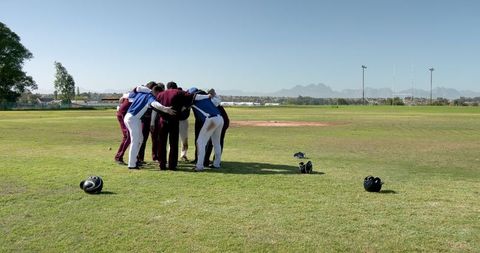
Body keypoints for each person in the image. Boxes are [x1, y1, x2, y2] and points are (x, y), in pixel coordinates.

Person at [124, 84, 175, 169]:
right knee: (135, 141)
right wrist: (166, 109)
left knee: (140, 139)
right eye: (159, 94)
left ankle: (134, 161)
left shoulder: (142, 93)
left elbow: (136, 89)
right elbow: (155, 104)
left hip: (130, 117)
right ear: (157, 92)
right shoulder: (150, 96)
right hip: (133, 119)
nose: (159, 97)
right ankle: (132, 164)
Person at [151, 81, 192, 170]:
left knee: (162, 143)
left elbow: (155, 106)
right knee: (173, 143)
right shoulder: (179, 92)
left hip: (162, 121)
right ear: (176, 87)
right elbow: (191, 97)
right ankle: (172, 165)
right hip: (174, 120)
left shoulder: (161, 94)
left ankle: (162, 164)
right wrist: (184, 107)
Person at [114, 85, 152, 165]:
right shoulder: (141, 94)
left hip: (126, 114)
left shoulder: (135, 94)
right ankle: (119, 157)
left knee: (137, 137)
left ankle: (135, 159)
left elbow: (125, 96)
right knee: (128, 136)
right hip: (124, 114)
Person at [189, 88, 224, 171]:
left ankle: (199, 166)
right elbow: (218, 100)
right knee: (216, 142)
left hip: (211, 120)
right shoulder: (209, 99)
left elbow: (193, 98)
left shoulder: (194, 98)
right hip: (220, 118)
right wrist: (212, 94)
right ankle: (216, 164)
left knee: (200, 142)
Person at [204, 88, 229, 167]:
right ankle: (215, 162)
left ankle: (209, 161)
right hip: (222, 121)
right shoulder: (217, 100)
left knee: (212, 142)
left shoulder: (211, 102)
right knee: (216, 142)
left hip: (219, 122)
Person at [137, 82, 159, 164]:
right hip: (145, 120)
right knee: (143, 139)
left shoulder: (154, 96)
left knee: (155, 139)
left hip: (151, 120)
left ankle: (155, 157)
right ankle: (140, 157)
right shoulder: (147, 95)